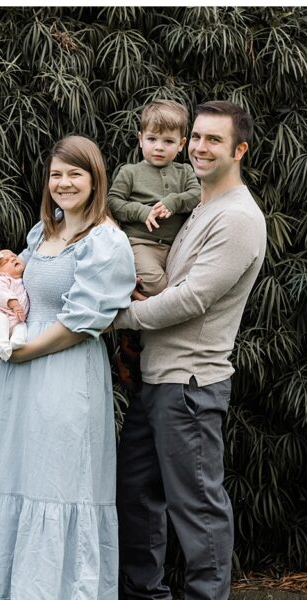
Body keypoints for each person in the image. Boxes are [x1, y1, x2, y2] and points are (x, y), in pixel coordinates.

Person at [0, 136, 136, 600]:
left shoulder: (104, 240)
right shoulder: (44, 231)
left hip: (63, 369)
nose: (63, 183)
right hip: (22, 374)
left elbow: (84, 322)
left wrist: (21, 351)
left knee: (68, 484)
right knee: (30, 476)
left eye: (75, 175)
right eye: (56, 174)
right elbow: (21, 294)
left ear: (96, 180)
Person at [113, 100, 266, 600]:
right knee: (136, 490)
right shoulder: (200, 207)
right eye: (196, 137)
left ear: (239, 150)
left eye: (212, 141)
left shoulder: (239, 218)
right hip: (157, 378)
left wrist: (120, 317)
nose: (199, 147)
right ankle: (144, 597)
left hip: (192, 383)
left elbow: (193, 298)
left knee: (197, 504)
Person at [108, 100, 201, 391]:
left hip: (176, 247)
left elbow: (197, 195)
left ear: (182, 144)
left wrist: (173, 202)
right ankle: (135, 343)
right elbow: (113, 202)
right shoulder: (130, 172)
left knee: (182, 289)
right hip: (141, 244)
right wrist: (141, 212)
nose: (158, 147)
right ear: (140, 139)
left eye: (168, 141)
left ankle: (143, 344)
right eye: (151, 139)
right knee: (161, 290)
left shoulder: (184, 173)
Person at [0, 249, 30, 361]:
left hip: (16, 318)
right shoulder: (0, 281)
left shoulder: (22, 280)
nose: (13, 258)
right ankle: (2, 345)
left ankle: (16, 342)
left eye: (14, 255)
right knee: (1, 322)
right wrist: (14, 304)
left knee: (21, 327)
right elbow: (1, 293)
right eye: (6, 261)